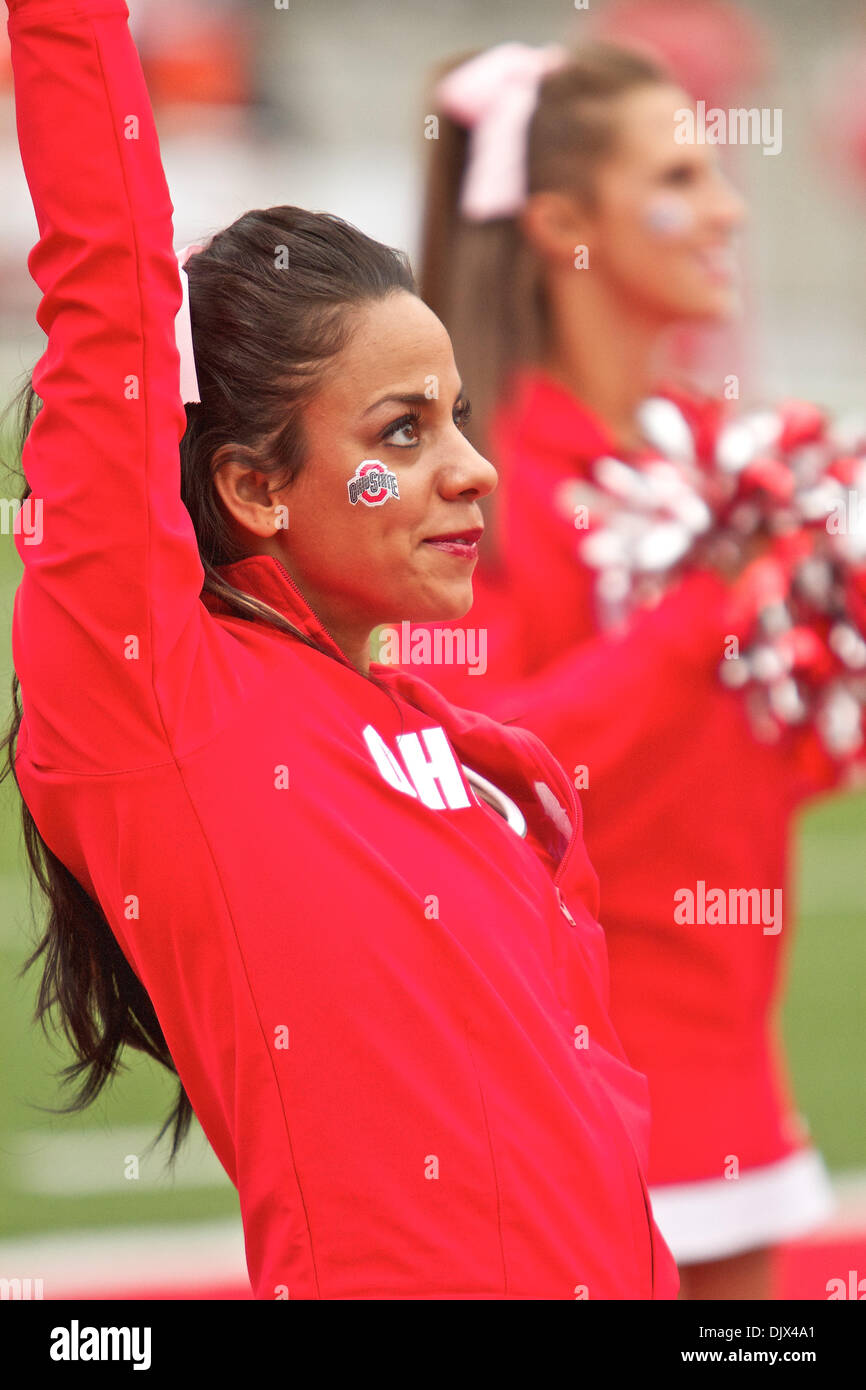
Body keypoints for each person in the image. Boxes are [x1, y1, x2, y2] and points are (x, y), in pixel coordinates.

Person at [0, 0, 678, 1300]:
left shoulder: (460, 756)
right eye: (401, 434)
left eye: (457, 417)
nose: (473, 470)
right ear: (256, 486)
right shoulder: (157, 696)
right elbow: (109, 288)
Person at [414, 41, 851, 1299]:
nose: (727, 210)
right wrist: (701, 612)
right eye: (680, 176)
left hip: (735, 1071)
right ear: (562, 225)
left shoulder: (726, 459)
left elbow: (770, 764)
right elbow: (477, 778)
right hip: (569, 1095)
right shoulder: (474, 480)